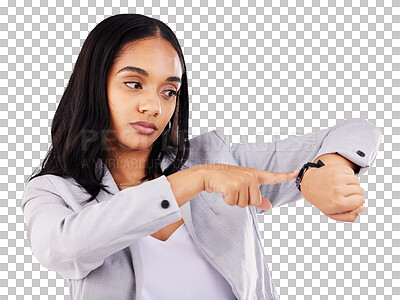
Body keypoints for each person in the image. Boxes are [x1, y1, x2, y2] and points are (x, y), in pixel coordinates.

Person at [20, 13, 382, 300]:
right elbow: (63, 250)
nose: (153, 106)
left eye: (169, 91)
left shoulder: (217, 157)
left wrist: (328, 167)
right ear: (94, 85)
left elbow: (355, 131)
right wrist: (195, 179)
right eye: (134, 84)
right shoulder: (53, 191)